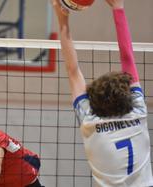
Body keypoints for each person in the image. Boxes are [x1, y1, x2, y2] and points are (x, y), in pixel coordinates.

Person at [52, 0, 153, 186]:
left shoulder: (91, 122)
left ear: (94, 100)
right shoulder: (137, 112)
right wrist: (118, 8)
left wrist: (62, 21)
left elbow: (72, 71)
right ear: (126, 95)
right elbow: (128, 57)